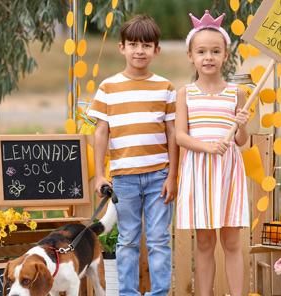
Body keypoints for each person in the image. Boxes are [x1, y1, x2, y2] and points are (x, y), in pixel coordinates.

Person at [87, 14, 178, 296]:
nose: (140, 51)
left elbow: (173, 134)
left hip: (159, 176)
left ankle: (159, 292)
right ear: (122, 48)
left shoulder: (165, 88)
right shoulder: (108, 87)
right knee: (127, 240)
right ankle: (127, 293)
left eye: (147, 45)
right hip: (123, 179)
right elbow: (101, 133)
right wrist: (100, 174)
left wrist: (172, 175)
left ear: (156, 50)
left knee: (159, 240)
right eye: (134, 44)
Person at [175, 10, 251, 296]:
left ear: (226, 55)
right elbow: (181, 136)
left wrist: (241, 125)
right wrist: (208, 147)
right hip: (200, 171)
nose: (209, 57)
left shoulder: (237, 94)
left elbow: (241, 141)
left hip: (228, 172)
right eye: (202, 51)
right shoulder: (186, 93)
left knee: (231, 242)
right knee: (205, 242)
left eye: (215, 51)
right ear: (190, 55)